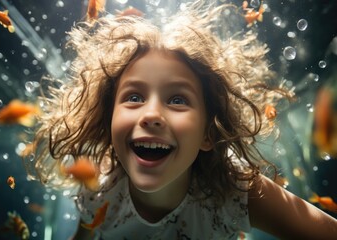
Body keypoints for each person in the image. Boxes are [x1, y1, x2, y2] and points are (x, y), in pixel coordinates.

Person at [30, 1, 337, 239]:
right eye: (134, 97)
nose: (151, 114)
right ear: (109, 120)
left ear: (207, 133)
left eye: (177, 100)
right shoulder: (96, 188)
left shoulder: (238, 191)